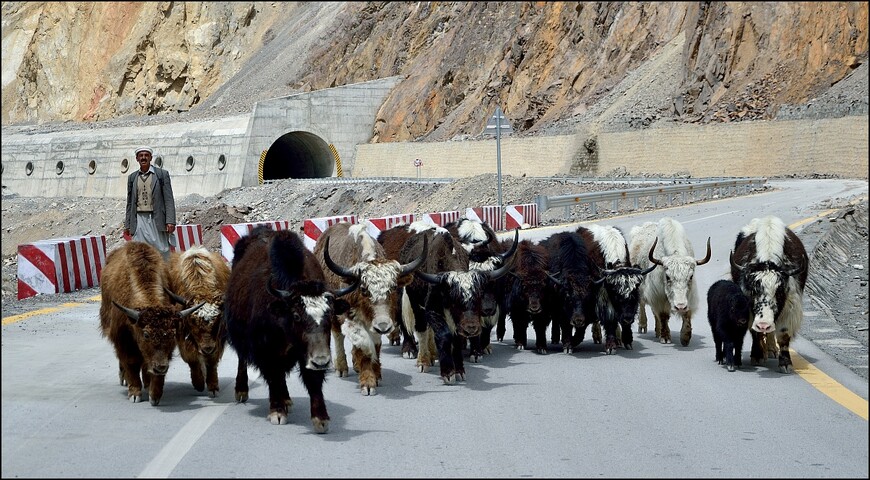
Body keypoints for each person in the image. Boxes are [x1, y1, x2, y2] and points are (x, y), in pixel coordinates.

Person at [124, 146, 176, 260]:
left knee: (162, 250)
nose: (143, 158)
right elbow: (130, 203)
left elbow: (169, 199)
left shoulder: (161, 175)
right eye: (141, 156)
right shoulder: (132, 178)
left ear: (150, 158)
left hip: (156, 218)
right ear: (137, 158)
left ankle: (165, 275)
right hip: (139, 220)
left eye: (146, 155)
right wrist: (127, 225)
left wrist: (170, 221)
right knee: (139, 252)